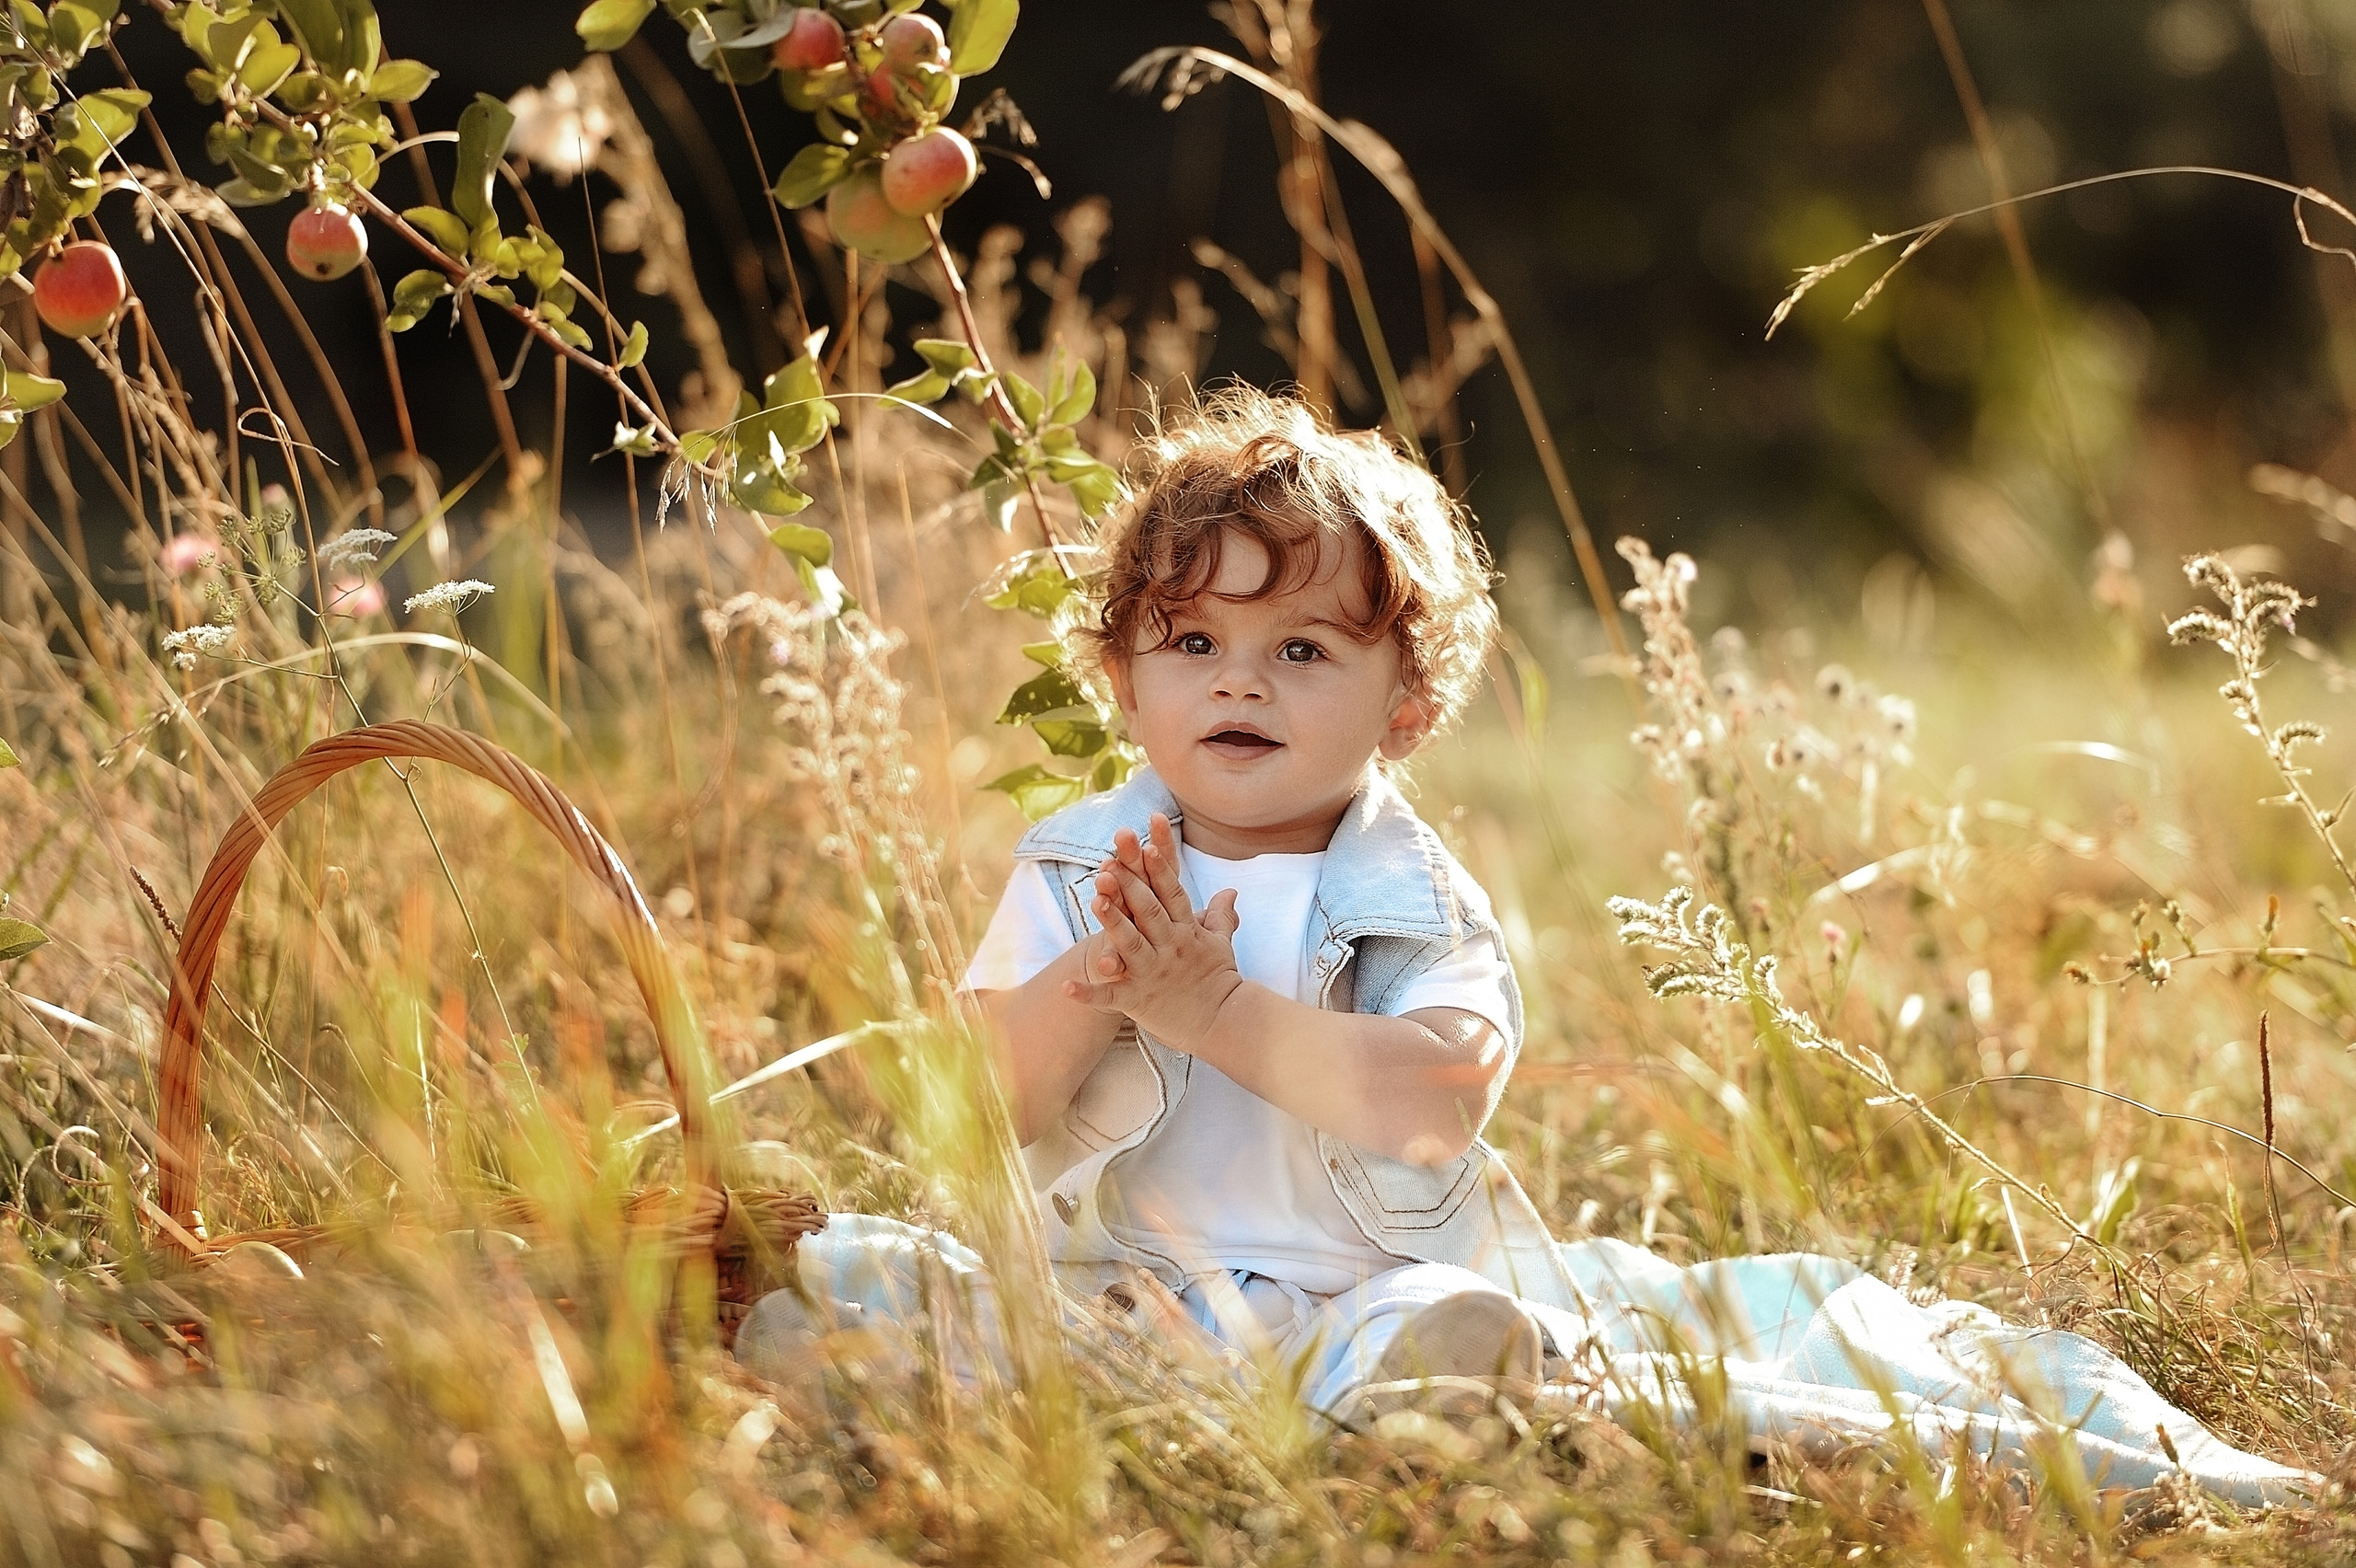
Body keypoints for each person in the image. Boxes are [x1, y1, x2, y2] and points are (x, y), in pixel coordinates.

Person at [740, 389, 2314, 1507]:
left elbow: (1432, 1100)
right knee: (877, 1278)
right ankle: (1088, 1374)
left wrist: (1209, 1003)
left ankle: (1418, 1397)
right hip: (1117, 1288)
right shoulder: (1088, 866)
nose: (1244, 684)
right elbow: (969, 1113)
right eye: (1195, 647)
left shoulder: (1412, 896)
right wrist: (1099, 988)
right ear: (1123, 679)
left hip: (1348, 1287)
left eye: (1303, 650)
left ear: (1406, 705)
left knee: (1428, 1338)